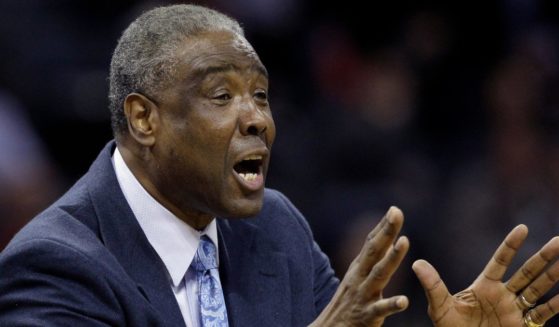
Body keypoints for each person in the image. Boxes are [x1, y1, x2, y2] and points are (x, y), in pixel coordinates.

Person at [0, 4, 558, 327]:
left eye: (261, 96)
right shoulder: (55, 265)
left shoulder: (276, 229)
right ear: (145, 119)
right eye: (222, 96)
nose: (258, 121)